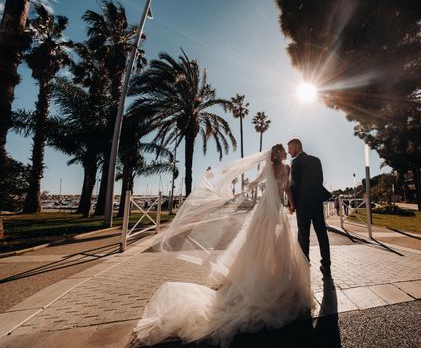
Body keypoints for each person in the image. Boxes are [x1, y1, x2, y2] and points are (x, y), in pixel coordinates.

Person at [134, 144, 312, 347]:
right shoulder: (284, 168)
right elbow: (284, 187)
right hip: (271, 209)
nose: (284, 153)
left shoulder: (273, 168)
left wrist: (254, 195)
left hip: (269, 209)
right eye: (282, 151)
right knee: (270, 245)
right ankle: (271, 279)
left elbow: (262, 184)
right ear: (279, 154)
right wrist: (291, 203)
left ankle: (267, 277)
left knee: (265, 245)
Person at [288, 138, 332, 276]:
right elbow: (319, 181)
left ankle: (304, 265)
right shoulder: (316, 160)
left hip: (302, 205)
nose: (288, 151)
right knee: (322, 234)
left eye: (289, 148)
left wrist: (292, 205)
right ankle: (326, 266)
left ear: (296, 146)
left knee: (303, 236)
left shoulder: (295, 163)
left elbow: (294, 185)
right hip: (317, 203)